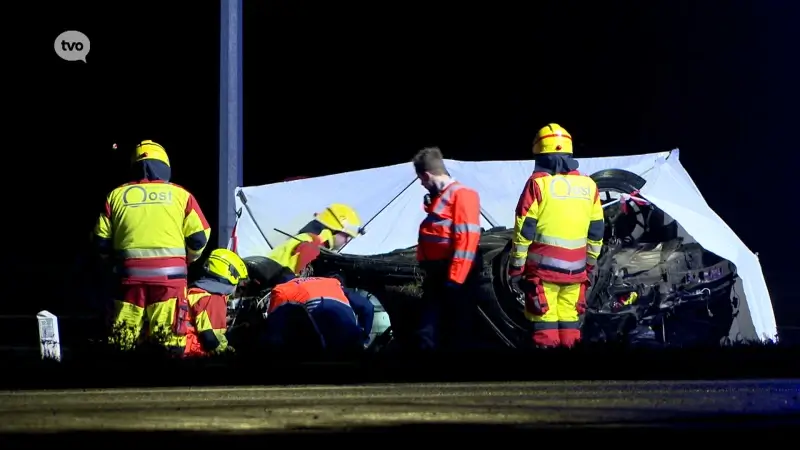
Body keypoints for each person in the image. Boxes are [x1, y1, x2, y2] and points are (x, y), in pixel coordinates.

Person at [94, 140, 211, 351]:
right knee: (168, 339)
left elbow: (101, 241)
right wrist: (188, 259)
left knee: (123, 336)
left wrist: (112, 264)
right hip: (170, 280)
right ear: (165, 166)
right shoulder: (181, 195)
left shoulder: (115, 196)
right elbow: (198, 239)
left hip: (127, 279)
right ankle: (167, 378)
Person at [508, 123, 605, 348]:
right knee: (571, 324)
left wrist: (516, 268)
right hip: (576, 275)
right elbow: (597, 231)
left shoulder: (537, 185)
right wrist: (589, 265)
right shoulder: (589, 186)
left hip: (542, 275)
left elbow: (524, 230)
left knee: (545, 327)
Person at [412, 147, 483, 351]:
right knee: (433, 326)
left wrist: (455, 278)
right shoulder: (444, 196)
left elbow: (467, 239)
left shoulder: (463, 195)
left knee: (454, 325)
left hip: (453, 272)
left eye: (422, 180)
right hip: (439, 272)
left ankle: (452, 369)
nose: (422, 185)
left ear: (426, 175)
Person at [259, 204, 364, 287]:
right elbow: (298, 281)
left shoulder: (307, 238)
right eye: (346, 235)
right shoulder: (314, 245)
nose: (347, 240)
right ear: (333, 230)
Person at [264, 276, 374, 353]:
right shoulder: (331, 282)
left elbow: (273, 324)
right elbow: (367, 307)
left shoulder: (282, 289)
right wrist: (364, 339)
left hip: (319, 335)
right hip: (349, 330)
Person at [177, 248, 249, 357]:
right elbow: (212, 340)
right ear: (232, 277)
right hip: (194, 354)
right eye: (238, 283)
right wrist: (228, 353)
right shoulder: (214, 299)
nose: (238, 288)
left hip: (179, 348)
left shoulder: (196, 291)